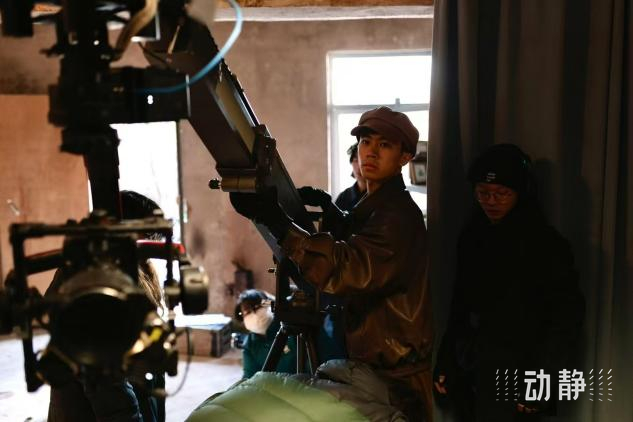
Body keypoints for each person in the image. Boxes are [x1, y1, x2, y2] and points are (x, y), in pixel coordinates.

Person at [231, 106, 433, 421]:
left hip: (395, 380)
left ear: (405, 157)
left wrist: (280, 223)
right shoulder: (375, 207)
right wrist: (332, 211)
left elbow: (348, 267)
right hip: (373, 367)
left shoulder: (397, 217)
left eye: (384, 145)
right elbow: (356, 240)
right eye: (366, 142)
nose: (371, 152)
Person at [433, 144, 584, 421]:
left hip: (520, 370)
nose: (491, 201)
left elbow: (565, 319)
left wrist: (541, 382)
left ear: (520, 193)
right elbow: (459, 306)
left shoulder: (546, 244)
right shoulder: (472, 235)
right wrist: (446, 361)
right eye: (483, 193)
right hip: (472, 367)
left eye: (502, 193)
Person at [47, 190, 166, 422]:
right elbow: (110, 391)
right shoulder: (95, 287)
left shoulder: (128, 271)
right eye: (149, 236)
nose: (152, 248)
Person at [234, 289, 297, 378]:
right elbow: (249, 377)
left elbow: (270, 302)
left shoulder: (290, 329)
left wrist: (271, 300)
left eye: (258, 307)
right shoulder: (250, 344)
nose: (255, 314)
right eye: (247, 312)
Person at [335, 143, 367, 211]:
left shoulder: (383, 194)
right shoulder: (344, 197)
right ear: (351, 163)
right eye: (356, 160)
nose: (360, 166)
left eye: (364, 160)